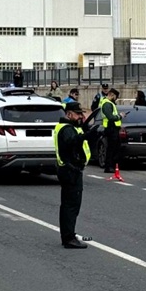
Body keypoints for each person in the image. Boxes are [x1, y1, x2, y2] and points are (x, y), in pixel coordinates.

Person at [54, 101, 91, 249]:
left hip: (69, 170)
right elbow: (72, 143)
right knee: (71, 205)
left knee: (70, 204)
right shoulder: (67, 129)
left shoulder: (69, 127)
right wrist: (87, 135)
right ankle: (68, 237)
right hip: (70, 171)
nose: (80, 116)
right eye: (78, 114)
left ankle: (69, 235)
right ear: (69, 114)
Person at [99, 88, 128, 177]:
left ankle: (112, 165)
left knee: (114, 147)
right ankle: (109, 166)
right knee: (111, 148)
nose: (115, 99)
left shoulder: (109, 103)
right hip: (110, 128)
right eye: (115, 97)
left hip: (113, 128)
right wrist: (120, 116)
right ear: (112, 95)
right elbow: (110, 117)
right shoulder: (107, 104)